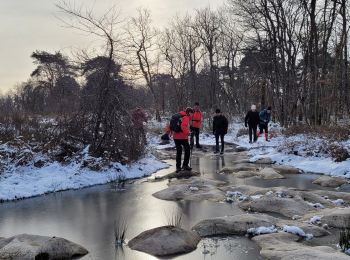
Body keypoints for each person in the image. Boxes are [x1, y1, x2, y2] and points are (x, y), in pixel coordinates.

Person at [173, 107, 193, 172]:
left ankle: (178, 167)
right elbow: (183, 126)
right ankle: (185, 165)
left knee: (179, 151)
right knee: (187, 150)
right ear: (189, 112)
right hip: (183, 137)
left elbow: (171, 126)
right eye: (191, 113)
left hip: (176, 137)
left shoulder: (179, 116)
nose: (192, 115)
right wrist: (188, 133)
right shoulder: (186, 117)